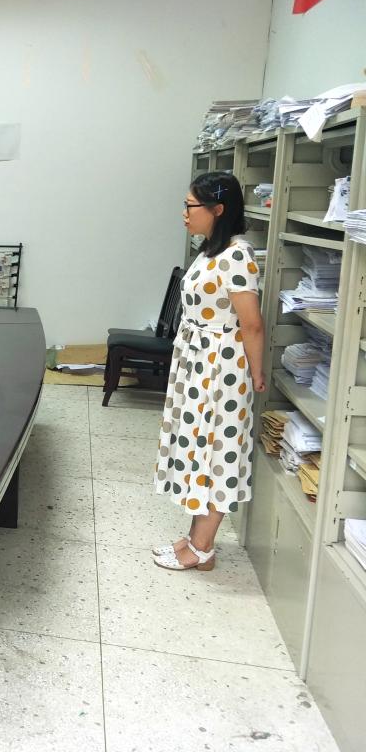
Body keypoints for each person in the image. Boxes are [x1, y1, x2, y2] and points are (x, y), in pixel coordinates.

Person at [152, 171, 265, 571]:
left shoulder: (237, 256)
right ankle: (194, 536)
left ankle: (203, 547)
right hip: (198, 362)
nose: (184, 213)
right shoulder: (209, 250)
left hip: (222, 368)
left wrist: (256, 375)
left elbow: (251, 323)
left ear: (218, 209)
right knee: (197, 449)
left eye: (190, 206)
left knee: (218, 451)